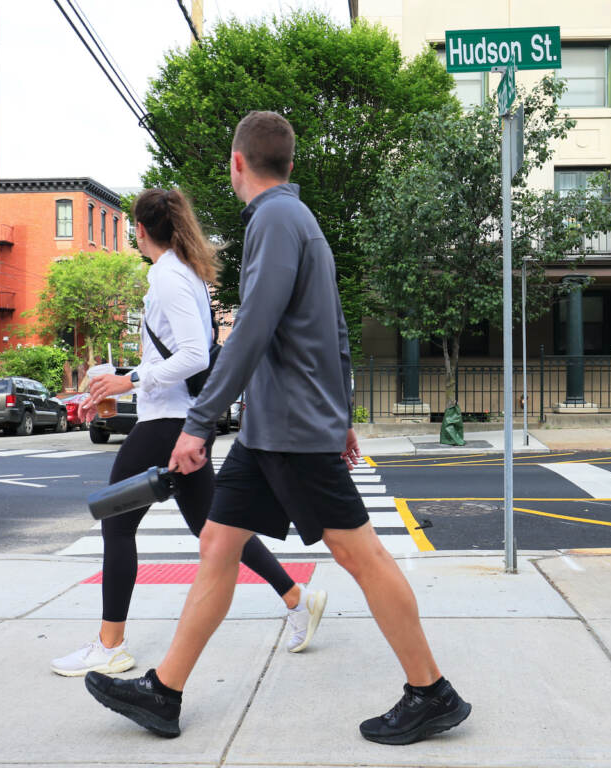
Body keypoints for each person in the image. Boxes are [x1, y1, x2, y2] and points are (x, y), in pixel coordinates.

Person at [84, 112, 471, 745]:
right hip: (272, 431)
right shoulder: (299, 221)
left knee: (361, 555)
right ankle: (166, 691)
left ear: (238, 164)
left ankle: (431, 691)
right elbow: (337, 330)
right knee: (217, 544)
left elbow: (253, 330)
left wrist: (199, 424)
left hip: (291, 430)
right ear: (288, 165)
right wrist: (341, 413)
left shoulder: (273, 222)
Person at [50, 187, 327, 678]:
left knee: (116, 522)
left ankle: (110, 644)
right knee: (212, 529)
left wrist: (132, 379)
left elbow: (196, 355)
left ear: (139, 230)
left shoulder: (168, 278)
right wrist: (125, 376)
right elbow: (174, 354)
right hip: (178, 418)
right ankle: (296, 597)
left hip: (166, 424)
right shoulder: (186, 275)